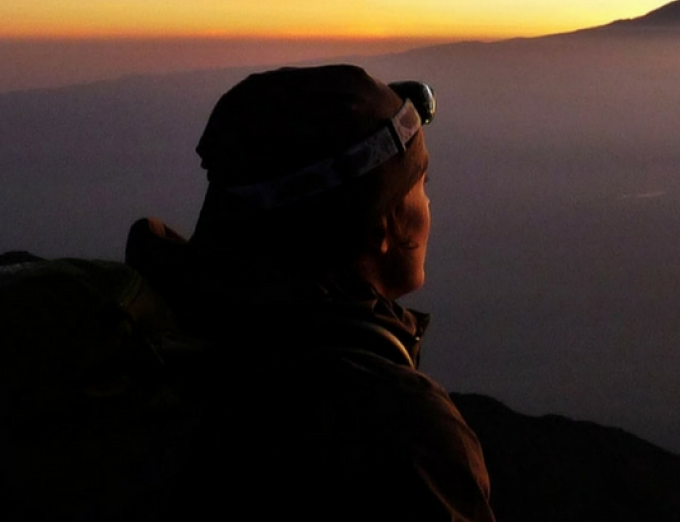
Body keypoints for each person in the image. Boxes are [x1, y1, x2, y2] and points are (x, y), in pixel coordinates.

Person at [126, 64, 494, 521]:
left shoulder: (156, 332)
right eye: (421, 185)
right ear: (383, 225)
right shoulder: (397, 432)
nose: (430, 204)